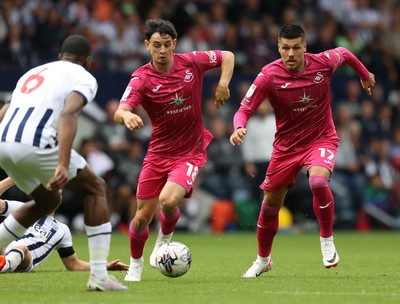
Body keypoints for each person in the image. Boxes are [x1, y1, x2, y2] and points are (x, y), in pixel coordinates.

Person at [229, 23, 376, 278]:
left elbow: (345, 52)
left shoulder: (323, 63)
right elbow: (244, 109)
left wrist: (365, 75)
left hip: (321, 138)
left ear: (305, 47)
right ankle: (263, 259)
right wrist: (238, 127)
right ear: (278, 48)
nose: (291, 54)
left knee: (318, 181)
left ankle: (327, 240)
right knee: (270, 205)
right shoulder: (268, 75)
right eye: (285, 48)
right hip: (286, 147)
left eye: (296, 48)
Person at [0, 35, 128, 291]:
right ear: (88, 61)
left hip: (4, 142)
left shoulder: (32, 73)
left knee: (49, 202)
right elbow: (69, 113)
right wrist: (62, 162)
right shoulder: (84, 76)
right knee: (95, 187)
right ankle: (100, 276)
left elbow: (5, 110)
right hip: (36, 142)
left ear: (60, 57)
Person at [114, 19, 234, 282]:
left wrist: (223, 84)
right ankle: (136, 265)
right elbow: (119, 110)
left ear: (174, 44)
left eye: (167, 45)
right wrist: (127, 116)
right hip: (157, 153)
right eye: (156, 45)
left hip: (190, 151)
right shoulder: (141, 78)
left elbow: (227, 55)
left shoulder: (191, 62)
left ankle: (163, 240)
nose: (162, 51)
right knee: (141, 218)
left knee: (168, 200)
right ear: (147, 45)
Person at [0, 197, 128, 273]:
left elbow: (73, 265)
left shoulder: (62, 230)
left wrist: (105, 266)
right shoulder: (24, 209)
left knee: (22, 248)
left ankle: (4, 265)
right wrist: (12, 179)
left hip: (24, 258)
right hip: (4, 249)